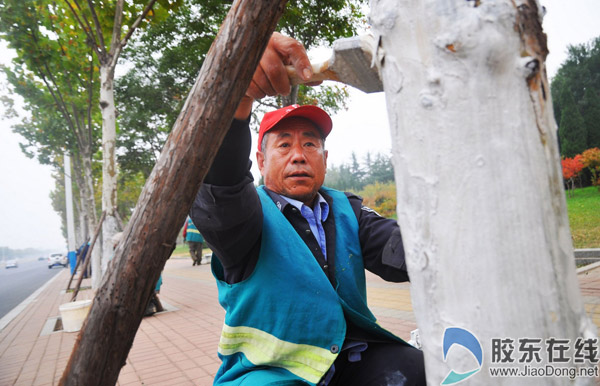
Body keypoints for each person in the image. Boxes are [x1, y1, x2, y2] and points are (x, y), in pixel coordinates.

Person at [191, 32, 426, 386]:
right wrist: (235, 92)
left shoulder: (348, 210)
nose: (299, 155)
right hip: (269, 371)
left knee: (419, 371)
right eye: (284, 145)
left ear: (325, 159)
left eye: (310, 144)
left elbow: (404, 251)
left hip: (353, 356)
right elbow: (219, 184)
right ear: (260, 160)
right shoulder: (245, 215)